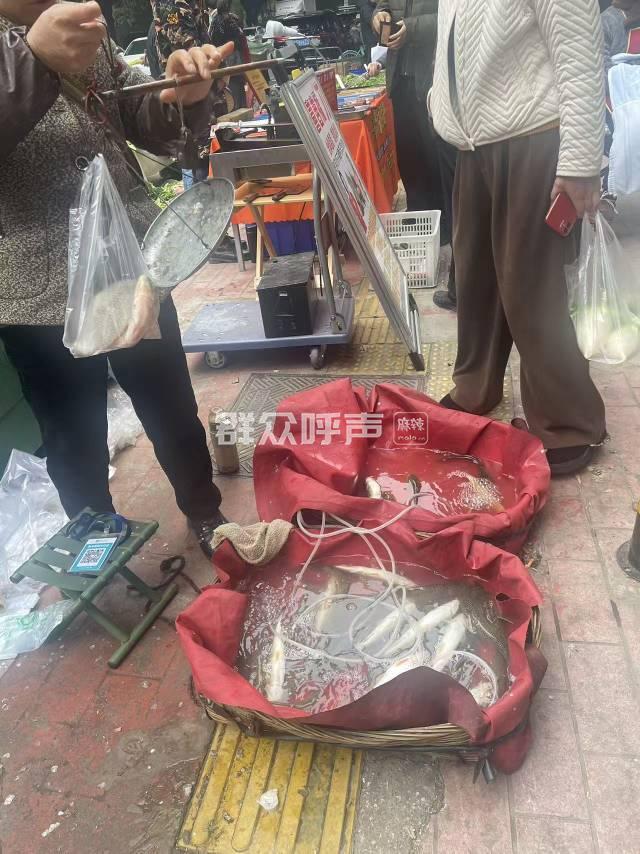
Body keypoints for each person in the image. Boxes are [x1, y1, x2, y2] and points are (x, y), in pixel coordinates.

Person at [0, 0, 226, 555]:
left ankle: (205, 510)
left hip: (131, 265)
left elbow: (131, 112)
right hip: (38, 285)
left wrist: (177, 96)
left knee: (170, 401)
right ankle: (98, 544)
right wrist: (32, 60)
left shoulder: (80, 25)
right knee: (70, 430)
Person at [431, 0, 607, 476]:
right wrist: (439, 105)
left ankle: (568, 420)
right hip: (472, 145)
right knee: (476, 278)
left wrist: (580, 161)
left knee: (530, 285)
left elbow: (578, 49)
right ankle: (476, 386)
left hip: (534, 134)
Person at [372, 0, 457, 310]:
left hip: (433, 81)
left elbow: (452, 16)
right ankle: (425, 238)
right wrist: (379, 17)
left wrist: (412, 29)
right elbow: (382, 6)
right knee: (411, 161)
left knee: (441, 163)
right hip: (401, 83)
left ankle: (450, 238)